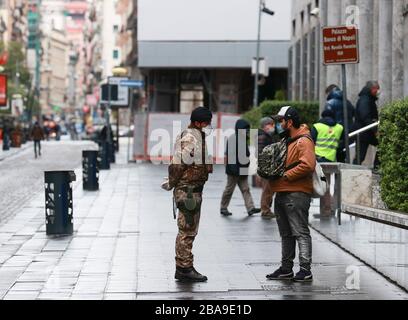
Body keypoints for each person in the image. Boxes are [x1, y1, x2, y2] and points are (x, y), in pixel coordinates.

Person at [162, 106, 213, 282]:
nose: (208, 126)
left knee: (189, 229)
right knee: (187, 230)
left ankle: (184, 267)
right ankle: (184, 268)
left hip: (193, 189)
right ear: (198, 123)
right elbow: (178, 163)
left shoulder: (197, 136)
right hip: (188, 191)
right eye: (206, 123)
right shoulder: (191, 137)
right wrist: (172, 182)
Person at [266, 106, 316, 282]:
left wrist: (287, 175)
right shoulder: (288, 141)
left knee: (300, 232)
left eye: (281, 121)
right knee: (286, 233)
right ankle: (286, 268)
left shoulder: (303, 141)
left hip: (296, 193)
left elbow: (308, 164)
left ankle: (305, 269)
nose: (279, 124)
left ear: (290, 122)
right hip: (281, 192)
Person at [220, 119, 261, 217]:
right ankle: (223, 207)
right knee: (229, 189)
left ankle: (250, 208)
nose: (247, 131)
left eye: (248, 129)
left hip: (242, 170)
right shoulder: (233, 139)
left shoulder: (243, 139)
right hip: (234, 171)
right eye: (245, 129)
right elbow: (230, 156)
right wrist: (234, 170)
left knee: (246, 189)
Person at [352, 81, 380, 167]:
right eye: (377, 89)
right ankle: (354, 171)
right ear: (372, 89)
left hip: (366, 132)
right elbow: (366, 116)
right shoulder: (365, 100)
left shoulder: (368, 99)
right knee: (360, 156)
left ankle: (377, 166)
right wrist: (375, 130)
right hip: (363, 132)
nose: (378, 91)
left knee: (360, 156)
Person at [258, 117, 280, 219]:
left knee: (269, 189)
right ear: (265, 126)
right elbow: (263, 153)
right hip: (266, 167)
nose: (273, 126)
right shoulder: (263, 136)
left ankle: (266, 209)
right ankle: (265, 210)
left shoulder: (266, 135)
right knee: (267, 190)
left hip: (266, 167)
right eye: (270, 124)